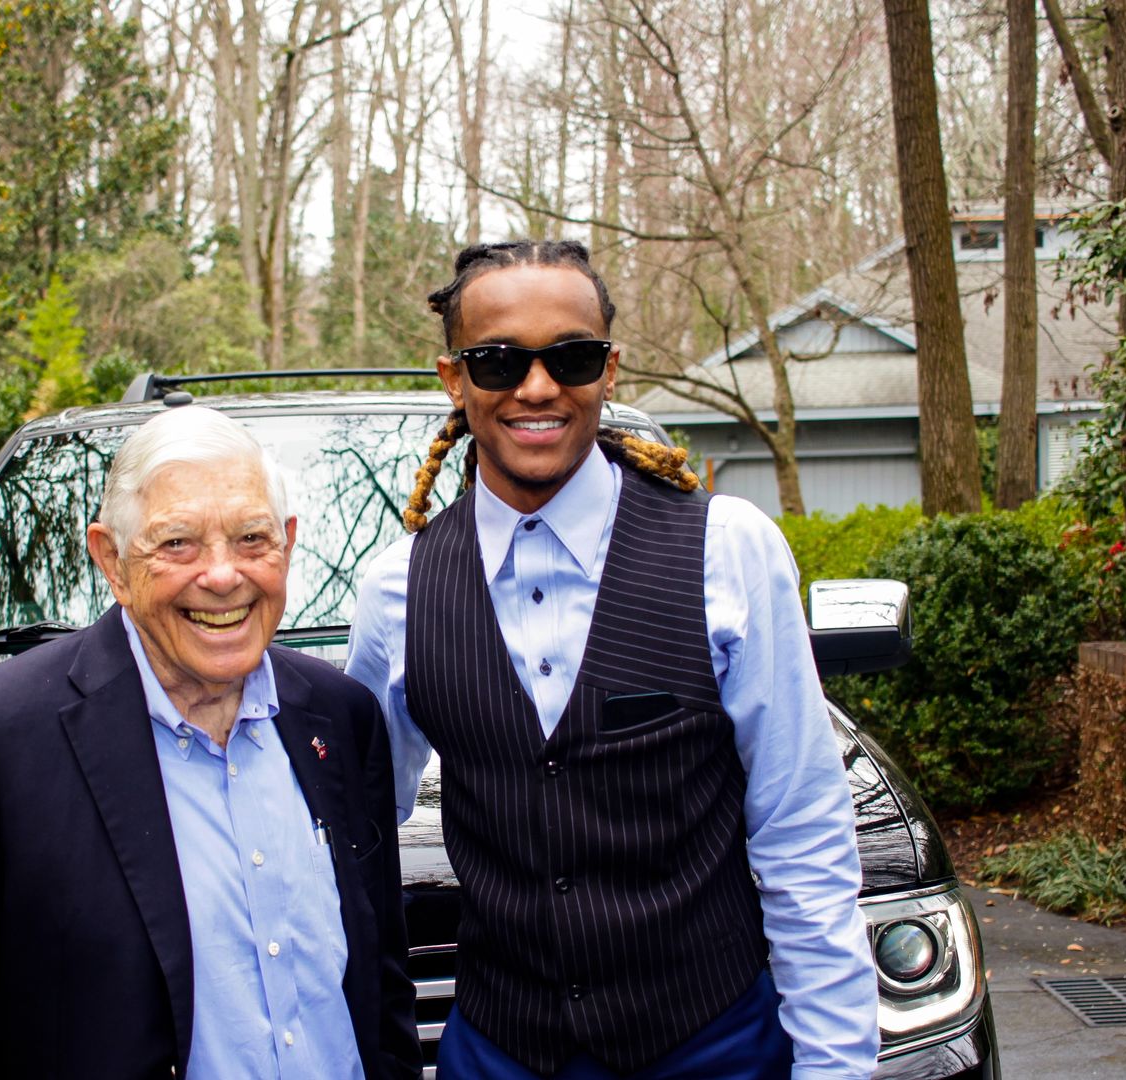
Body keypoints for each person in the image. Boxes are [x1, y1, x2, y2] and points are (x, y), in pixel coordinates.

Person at [346, 240, 878, 1079]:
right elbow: (357, 835)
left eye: (573, 355)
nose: (537, 386)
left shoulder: (727, 552)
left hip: (715, 1045)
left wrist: (835, 1066)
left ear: (610, 368)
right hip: (501, 1051)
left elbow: (801, 828)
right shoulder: (395, 593)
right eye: (498, 361)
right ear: (453, 378)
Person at [0, 405, 420, 1079]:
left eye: (251, 538)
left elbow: (381, 984)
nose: (222, 575)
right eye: (178, 544)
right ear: (110, 559)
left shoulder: (341, 718)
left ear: (287, 541)